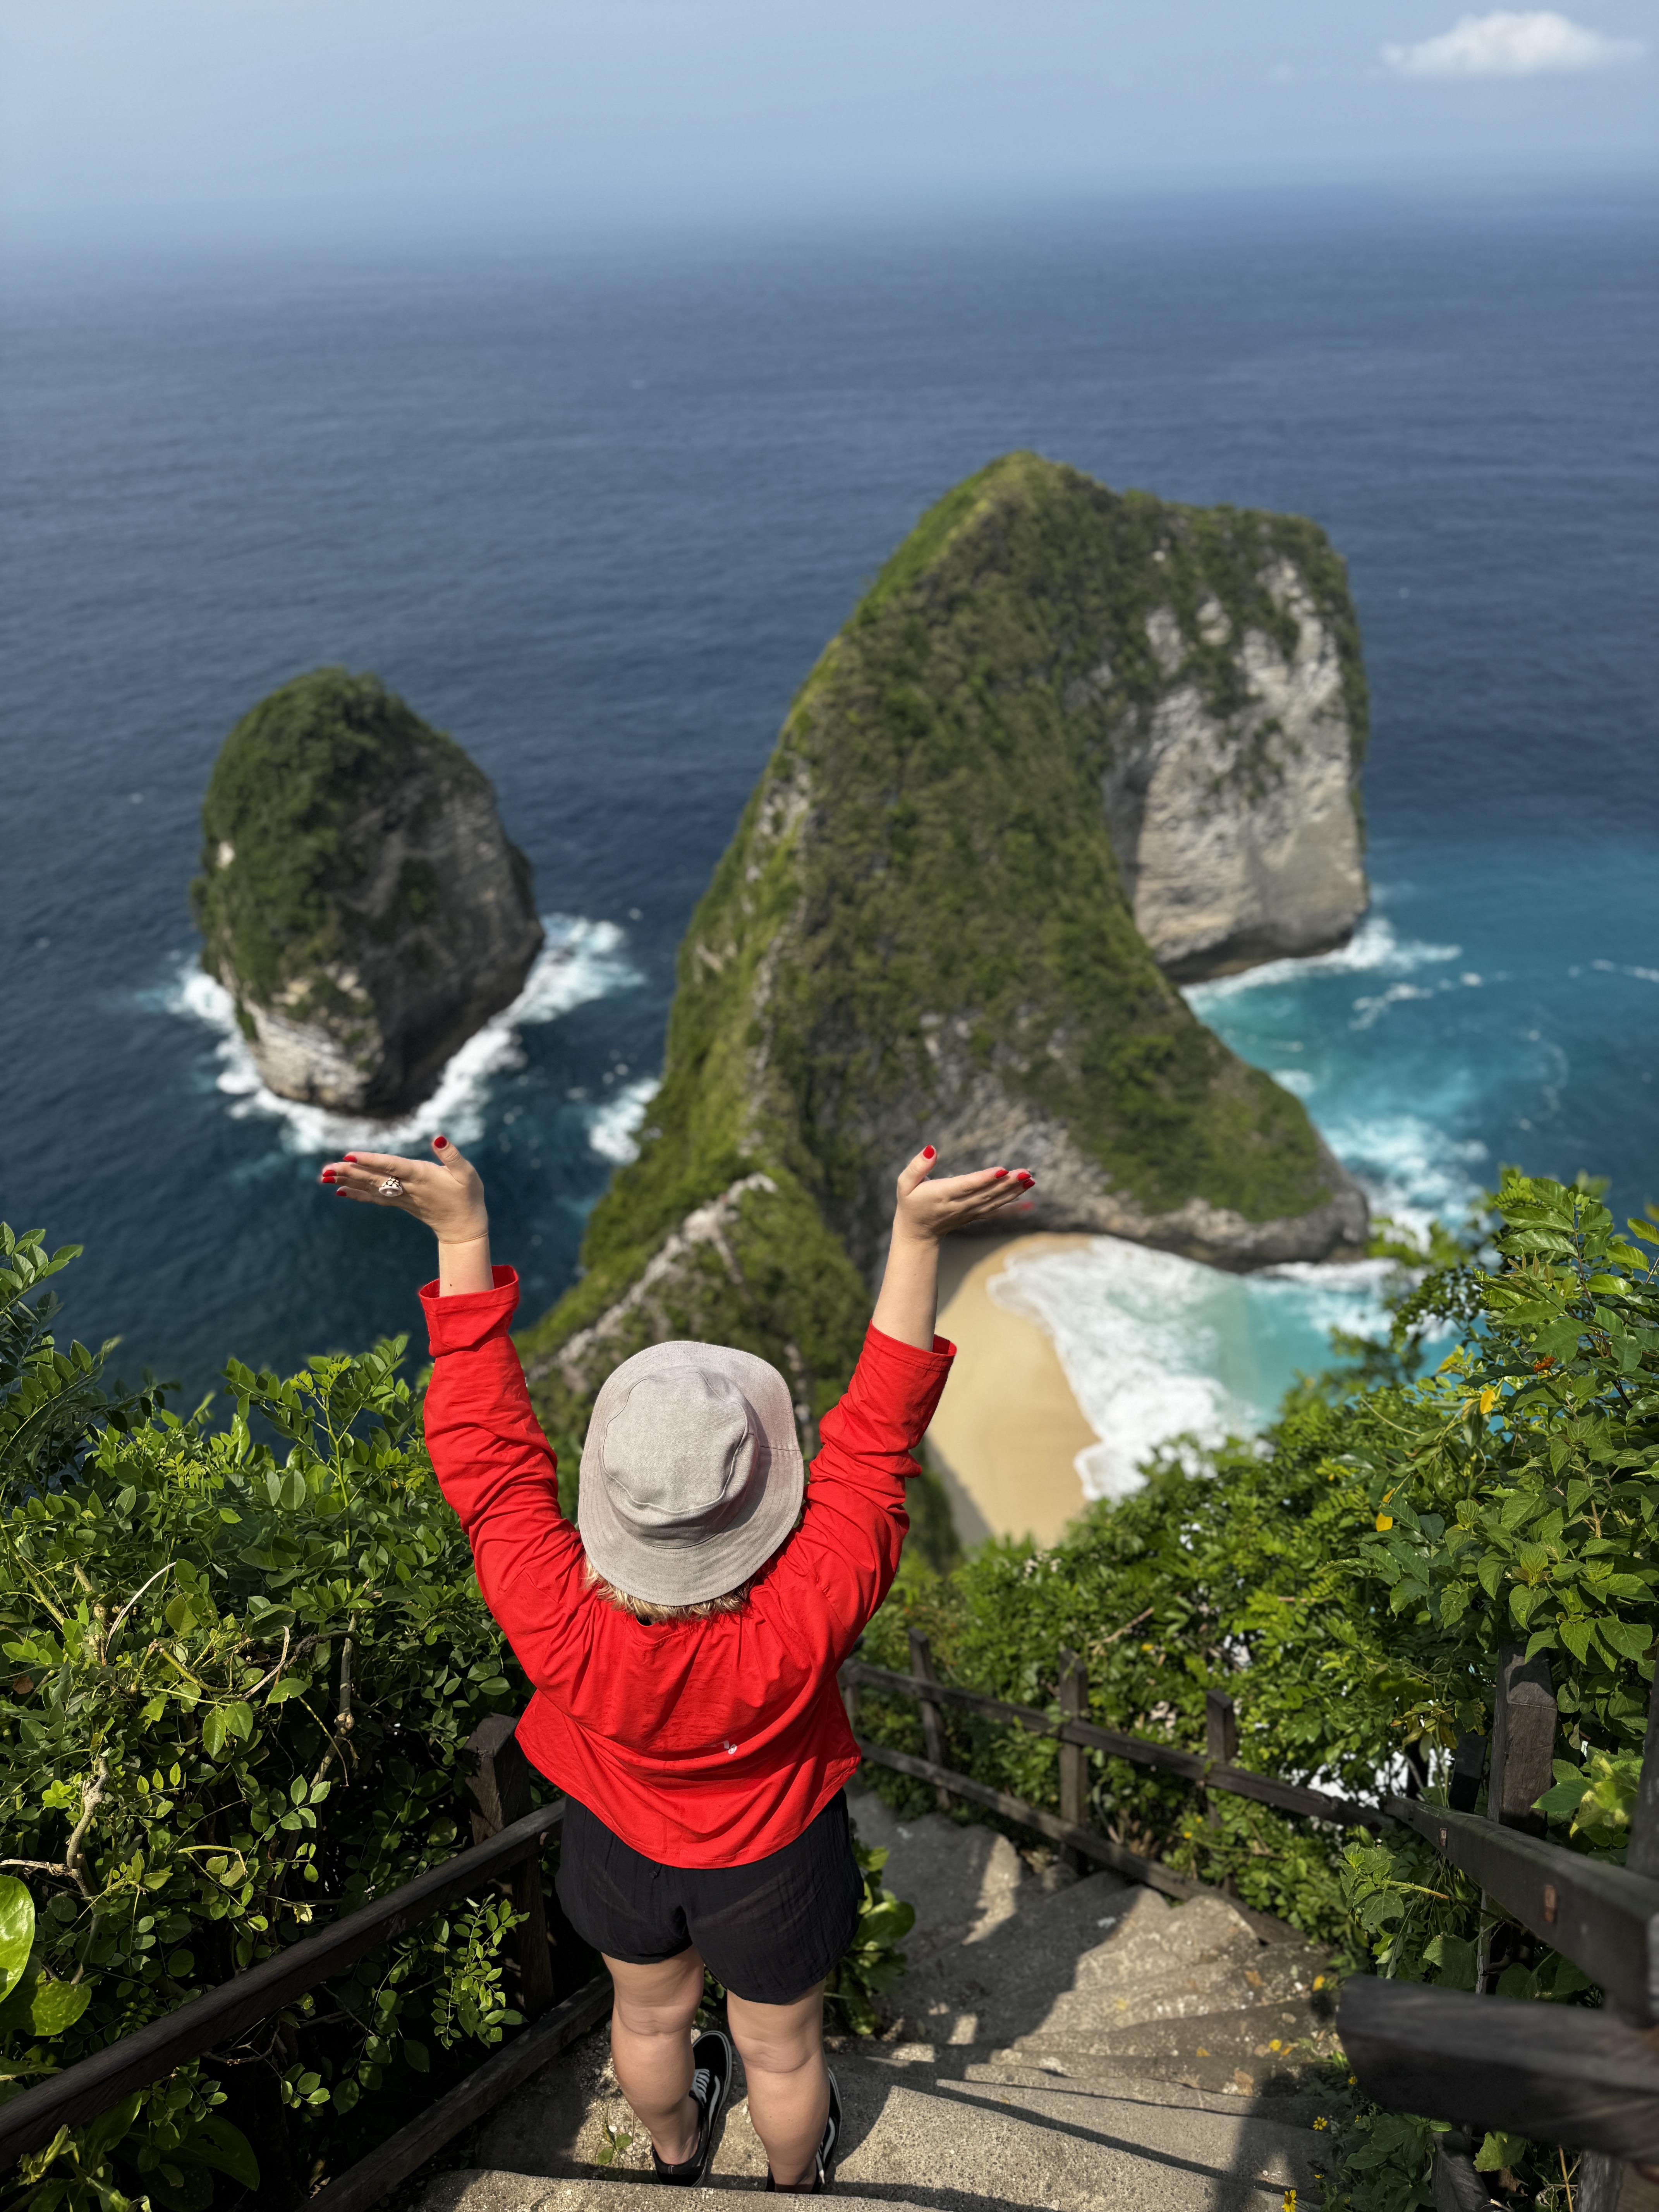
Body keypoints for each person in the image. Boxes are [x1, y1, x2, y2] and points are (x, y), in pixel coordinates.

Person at [319, 1133, 1035, 2192]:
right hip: (772, 1860)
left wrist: (461, 1236)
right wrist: (915, 1233)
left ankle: (673, 2156)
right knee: (782, 2050)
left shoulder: (554, 1614)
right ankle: (795, 2184)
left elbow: (486, 1455)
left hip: (618, 1850)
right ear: (760, 1501)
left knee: (648, 2016)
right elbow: (877, 1443)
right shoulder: (803, 1613)